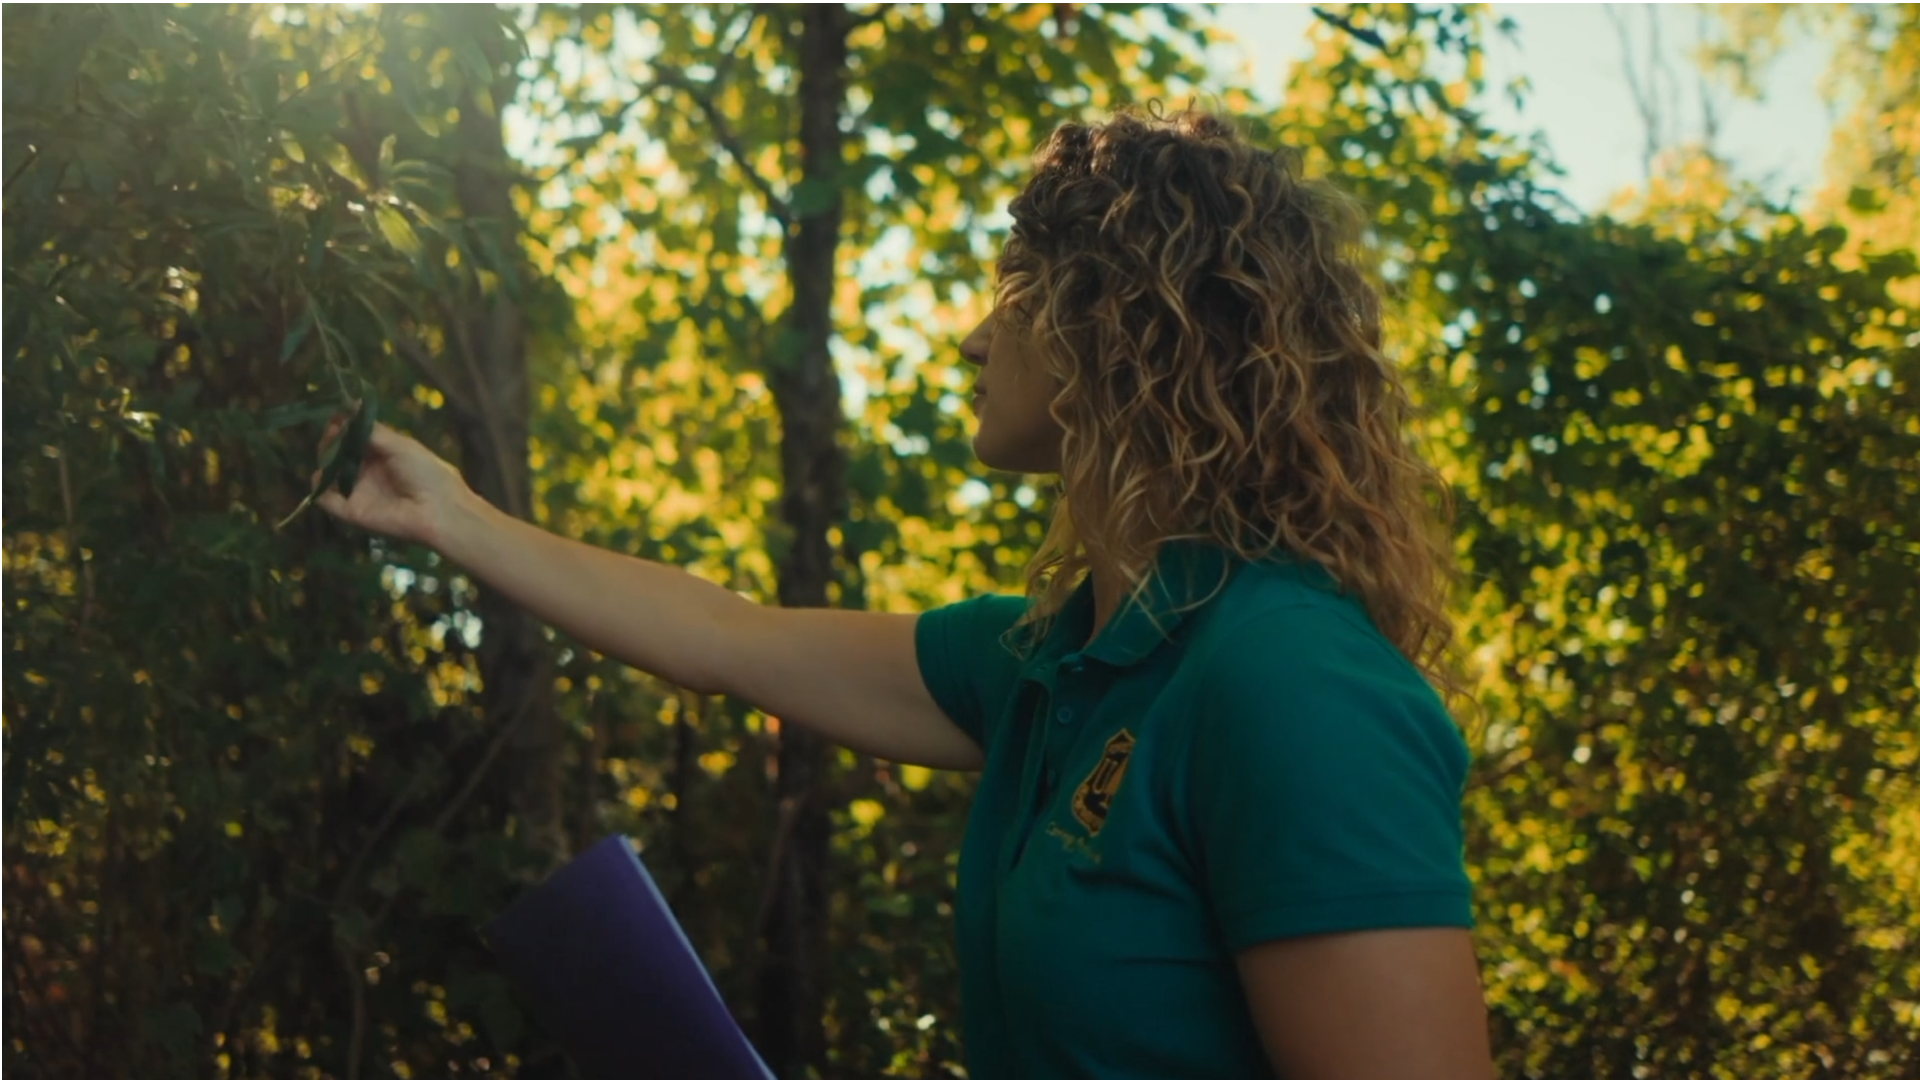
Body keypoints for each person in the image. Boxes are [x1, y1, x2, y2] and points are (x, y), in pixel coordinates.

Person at [313, 107, 1495, 1080]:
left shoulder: (1287, 678)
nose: (975, 342)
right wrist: (450, 514)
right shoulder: (1052, 667)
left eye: (1014, 289)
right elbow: (723, 637)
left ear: (1115, 323)